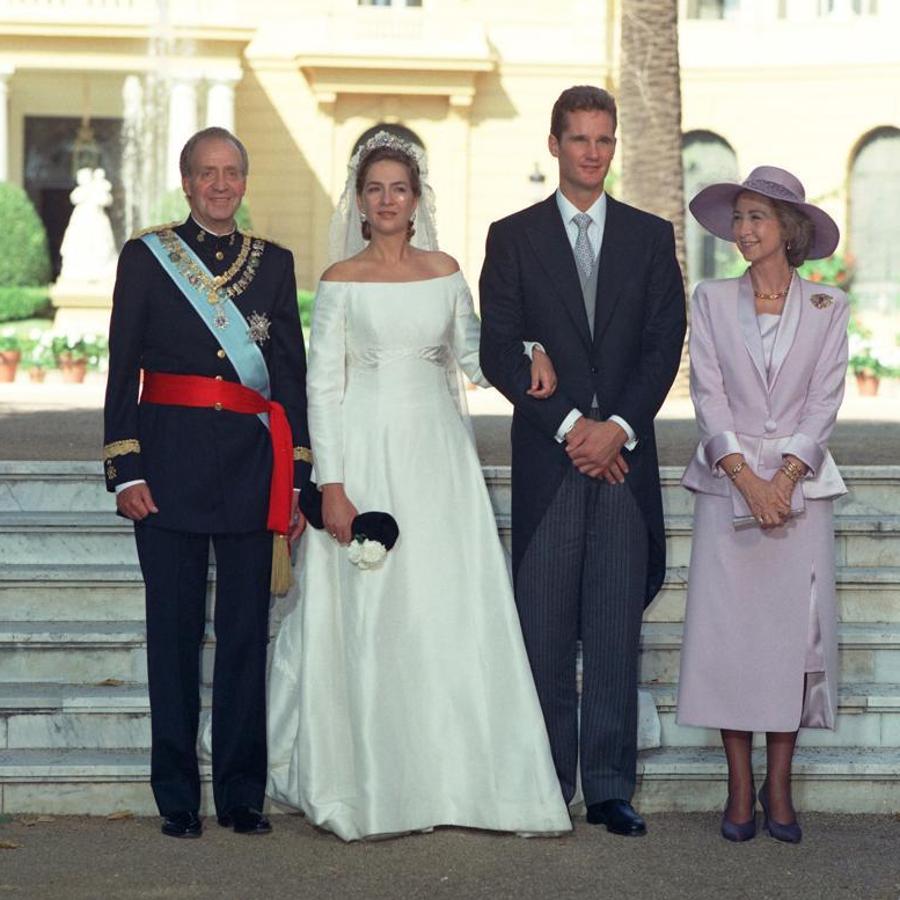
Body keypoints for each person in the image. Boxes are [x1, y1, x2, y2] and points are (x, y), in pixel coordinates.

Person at [266, 131, 572, 841]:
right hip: (367, 453)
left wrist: (527, 349)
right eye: (374, 189)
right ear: (360, 201)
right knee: (377, 607)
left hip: (438, 459)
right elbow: (323, 386)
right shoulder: (340, 280)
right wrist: (333, 486)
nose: (386, 200)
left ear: (416, 198)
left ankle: (463, 778)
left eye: (398, 188)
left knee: (445, 604)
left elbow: (472, 356)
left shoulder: (445, 271)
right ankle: (373, 782)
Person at [479, 86, 686, 837]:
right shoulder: (513, 237)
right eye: (579, 139)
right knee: (541, 629)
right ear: (554, 143)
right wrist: (573, 426)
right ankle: (544, 781)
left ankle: (607, 787)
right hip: (552, 460)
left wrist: (619, 427)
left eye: (604, 139)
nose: (592, 152)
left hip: (624, 465)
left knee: (611, 630)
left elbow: (665, 345)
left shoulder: (648, 235)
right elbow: (497, 347)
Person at [103, 126, 311, 839]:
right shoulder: (146, 256)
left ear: (243, 183)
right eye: (206, 173)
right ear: (187, 182)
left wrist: (296, 480)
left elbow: (290, 380)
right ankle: (178, 797)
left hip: (253, 469)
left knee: (247, 634)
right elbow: (121, 366)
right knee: (173, 633)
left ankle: (242, 794)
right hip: (165, 468)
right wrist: (124, 467)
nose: (220, 185)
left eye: (231, 172)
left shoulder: (274, 265)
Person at [678, 166, 848, 843]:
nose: (742, 230)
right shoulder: (711, 300)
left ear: (789, 229)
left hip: (800, 497)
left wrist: (786, 479)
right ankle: (739, 789)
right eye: (738, 218)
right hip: (728, 490)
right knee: (730, 643)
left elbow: (826, 398)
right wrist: (748, 478)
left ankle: (779, 789)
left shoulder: (828, 306)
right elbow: (707, 394)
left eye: (756, 218)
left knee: (788, 645)